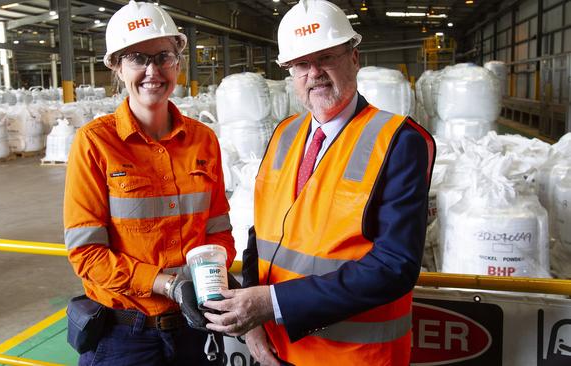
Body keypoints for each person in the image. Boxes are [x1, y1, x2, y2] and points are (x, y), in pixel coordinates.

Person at [203, 0, 435, 365]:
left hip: (356, 357)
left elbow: (395, 265)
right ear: (290, 73)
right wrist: (254, 325)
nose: (315, 73)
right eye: (301, 64)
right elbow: (259, 235)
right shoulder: (284, 135)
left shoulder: (398, 141)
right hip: (279, 350)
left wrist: (272, 304)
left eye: (326, 56)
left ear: (353, 58)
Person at [63, 1, 235, 365]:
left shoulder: (204, 140)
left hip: (196, 327)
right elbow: (87, 256)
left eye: (163, 57)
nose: (152, 70)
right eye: (137, 58)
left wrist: (212, 277)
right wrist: (169, 285)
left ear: (178, 62)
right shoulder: (95, 143)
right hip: (125, 335)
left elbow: (219, 229)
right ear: (118, 67)